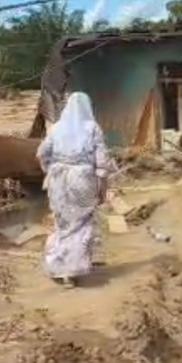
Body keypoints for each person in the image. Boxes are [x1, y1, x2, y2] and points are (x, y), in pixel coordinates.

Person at [36, 91, 114, 288]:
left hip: (58, 179)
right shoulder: (92, 128)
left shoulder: (57, 127)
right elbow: (102, 160)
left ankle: (60, 267)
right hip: (82, 179)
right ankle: (72, 269)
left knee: (62, 222)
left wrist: (51, 170)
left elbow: (42, 153)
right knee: (80, 222)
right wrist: (103, 186)